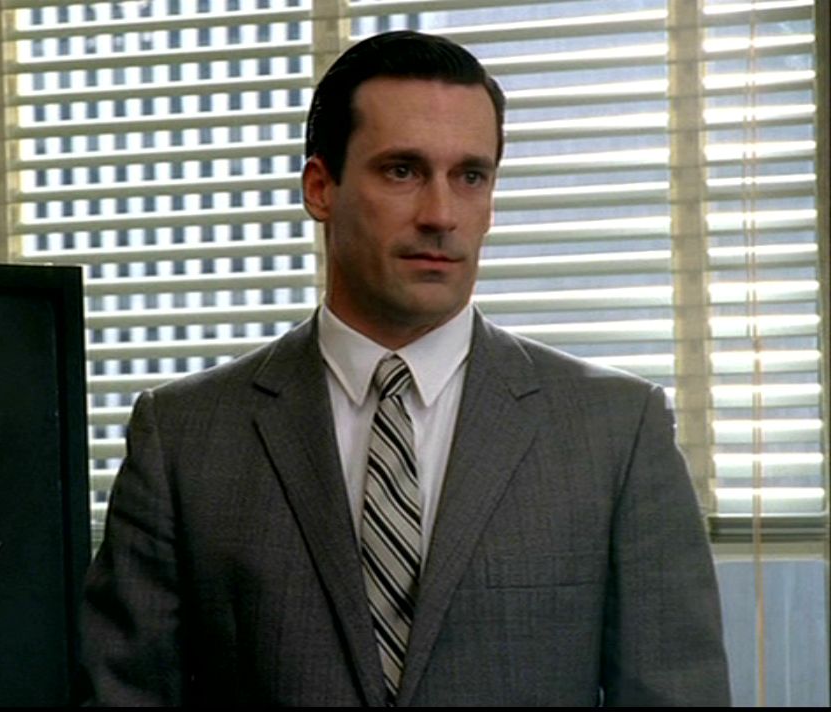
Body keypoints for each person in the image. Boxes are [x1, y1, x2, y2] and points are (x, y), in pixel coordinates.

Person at [80, 30, 730, 706]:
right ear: (320, 187)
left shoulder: (617, 432)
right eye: (402, 171)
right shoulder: (184, 437)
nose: (441, 215)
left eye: (470, 176)